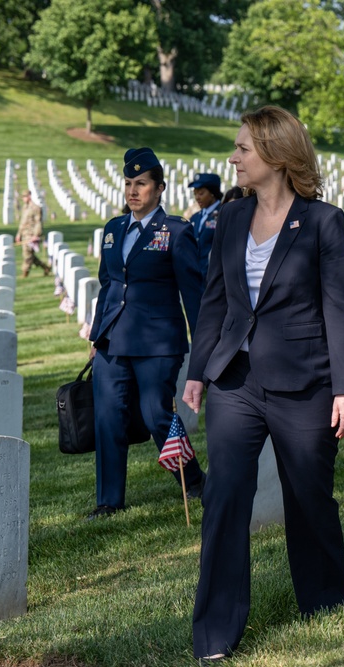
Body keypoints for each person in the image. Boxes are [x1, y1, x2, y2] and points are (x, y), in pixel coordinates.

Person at [182, 106, 344, 662]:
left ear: (277, 156)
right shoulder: (230, 219)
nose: (233, 158)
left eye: (243, 149)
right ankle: (215, 631)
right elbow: (215, 299)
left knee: (308, 496)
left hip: (305, 382)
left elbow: (339, 308)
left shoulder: (324, 222)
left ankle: (325, 602)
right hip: (235, 381)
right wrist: (197, 371)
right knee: (224, 496)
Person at [87, 147, 206, 520]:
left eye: (141, 184)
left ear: (159, 189)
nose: (132, 191)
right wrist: (95, 338)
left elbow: (193, 293)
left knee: (156, 413)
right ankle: (108, 501)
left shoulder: (176, 231)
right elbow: (107, 286)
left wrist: (203, 344)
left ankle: (195, 482)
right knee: (107, 417)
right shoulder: (113, 229)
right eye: (128, 183)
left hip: (156, 341)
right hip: (112, 340)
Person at [188, 173, 223, 277]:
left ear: (212, 193)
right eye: (195, 194)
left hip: (215, 276)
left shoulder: (224, 214)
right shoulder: (195, 218)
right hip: (196, 275)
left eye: (201, 193)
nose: (197, 198)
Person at [15, 190, 49, 278]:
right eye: (22, 197)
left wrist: (36, 235)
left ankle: (25, 272)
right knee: (29, 255)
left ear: (29, 196)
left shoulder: (36, 208)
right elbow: (23, 222)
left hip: (31, 234)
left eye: (25, 197)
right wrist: (19, 234)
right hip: (24, 234)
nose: (23, 199)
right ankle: (45, 267)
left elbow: (38, 223)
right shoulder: (25, 208)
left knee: (27, 254)